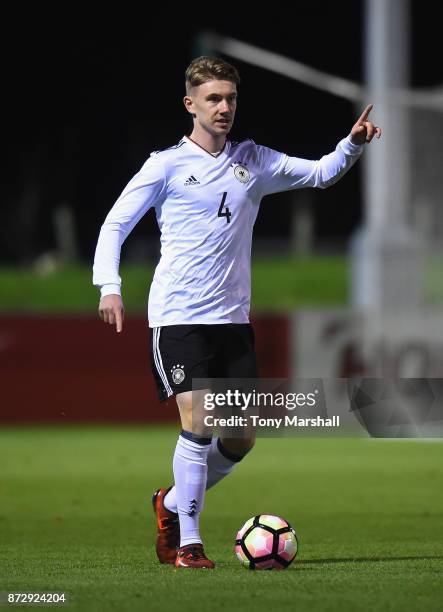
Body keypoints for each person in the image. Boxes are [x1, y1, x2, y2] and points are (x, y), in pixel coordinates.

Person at [92, 56, 381, 569]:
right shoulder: (166, 165)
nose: (224, 108)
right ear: (191, 105)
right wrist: (109, 286)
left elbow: (319, 174)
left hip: (231, 321)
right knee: (199, 420)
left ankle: (173, 503)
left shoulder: (255, 159)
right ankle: (189, 544)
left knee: (241, 437)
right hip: (178, 317)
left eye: (230, 99)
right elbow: (115, 224)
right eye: (213, 99)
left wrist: (352, 144)